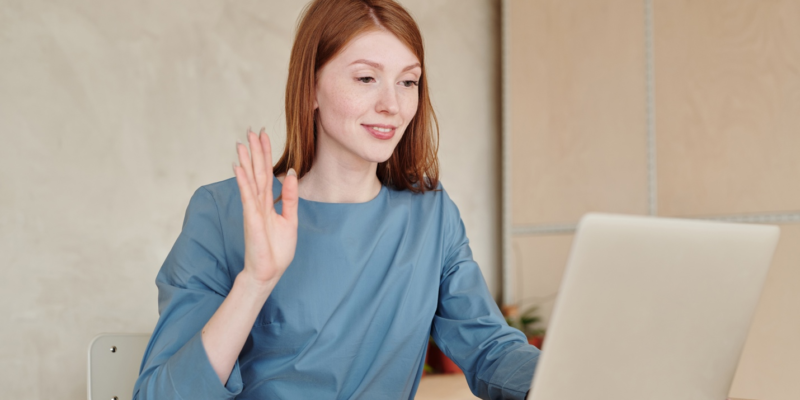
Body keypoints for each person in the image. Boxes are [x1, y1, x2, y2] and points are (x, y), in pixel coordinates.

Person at [132, 0, 540, 399]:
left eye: (408, 81)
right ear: (310, 88)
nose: (392, 106)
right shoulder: (221, 213)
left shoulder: (430, 215)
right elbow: (159, 394)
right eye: (366, 78)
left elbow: (491, 351)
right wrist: (255, 283)